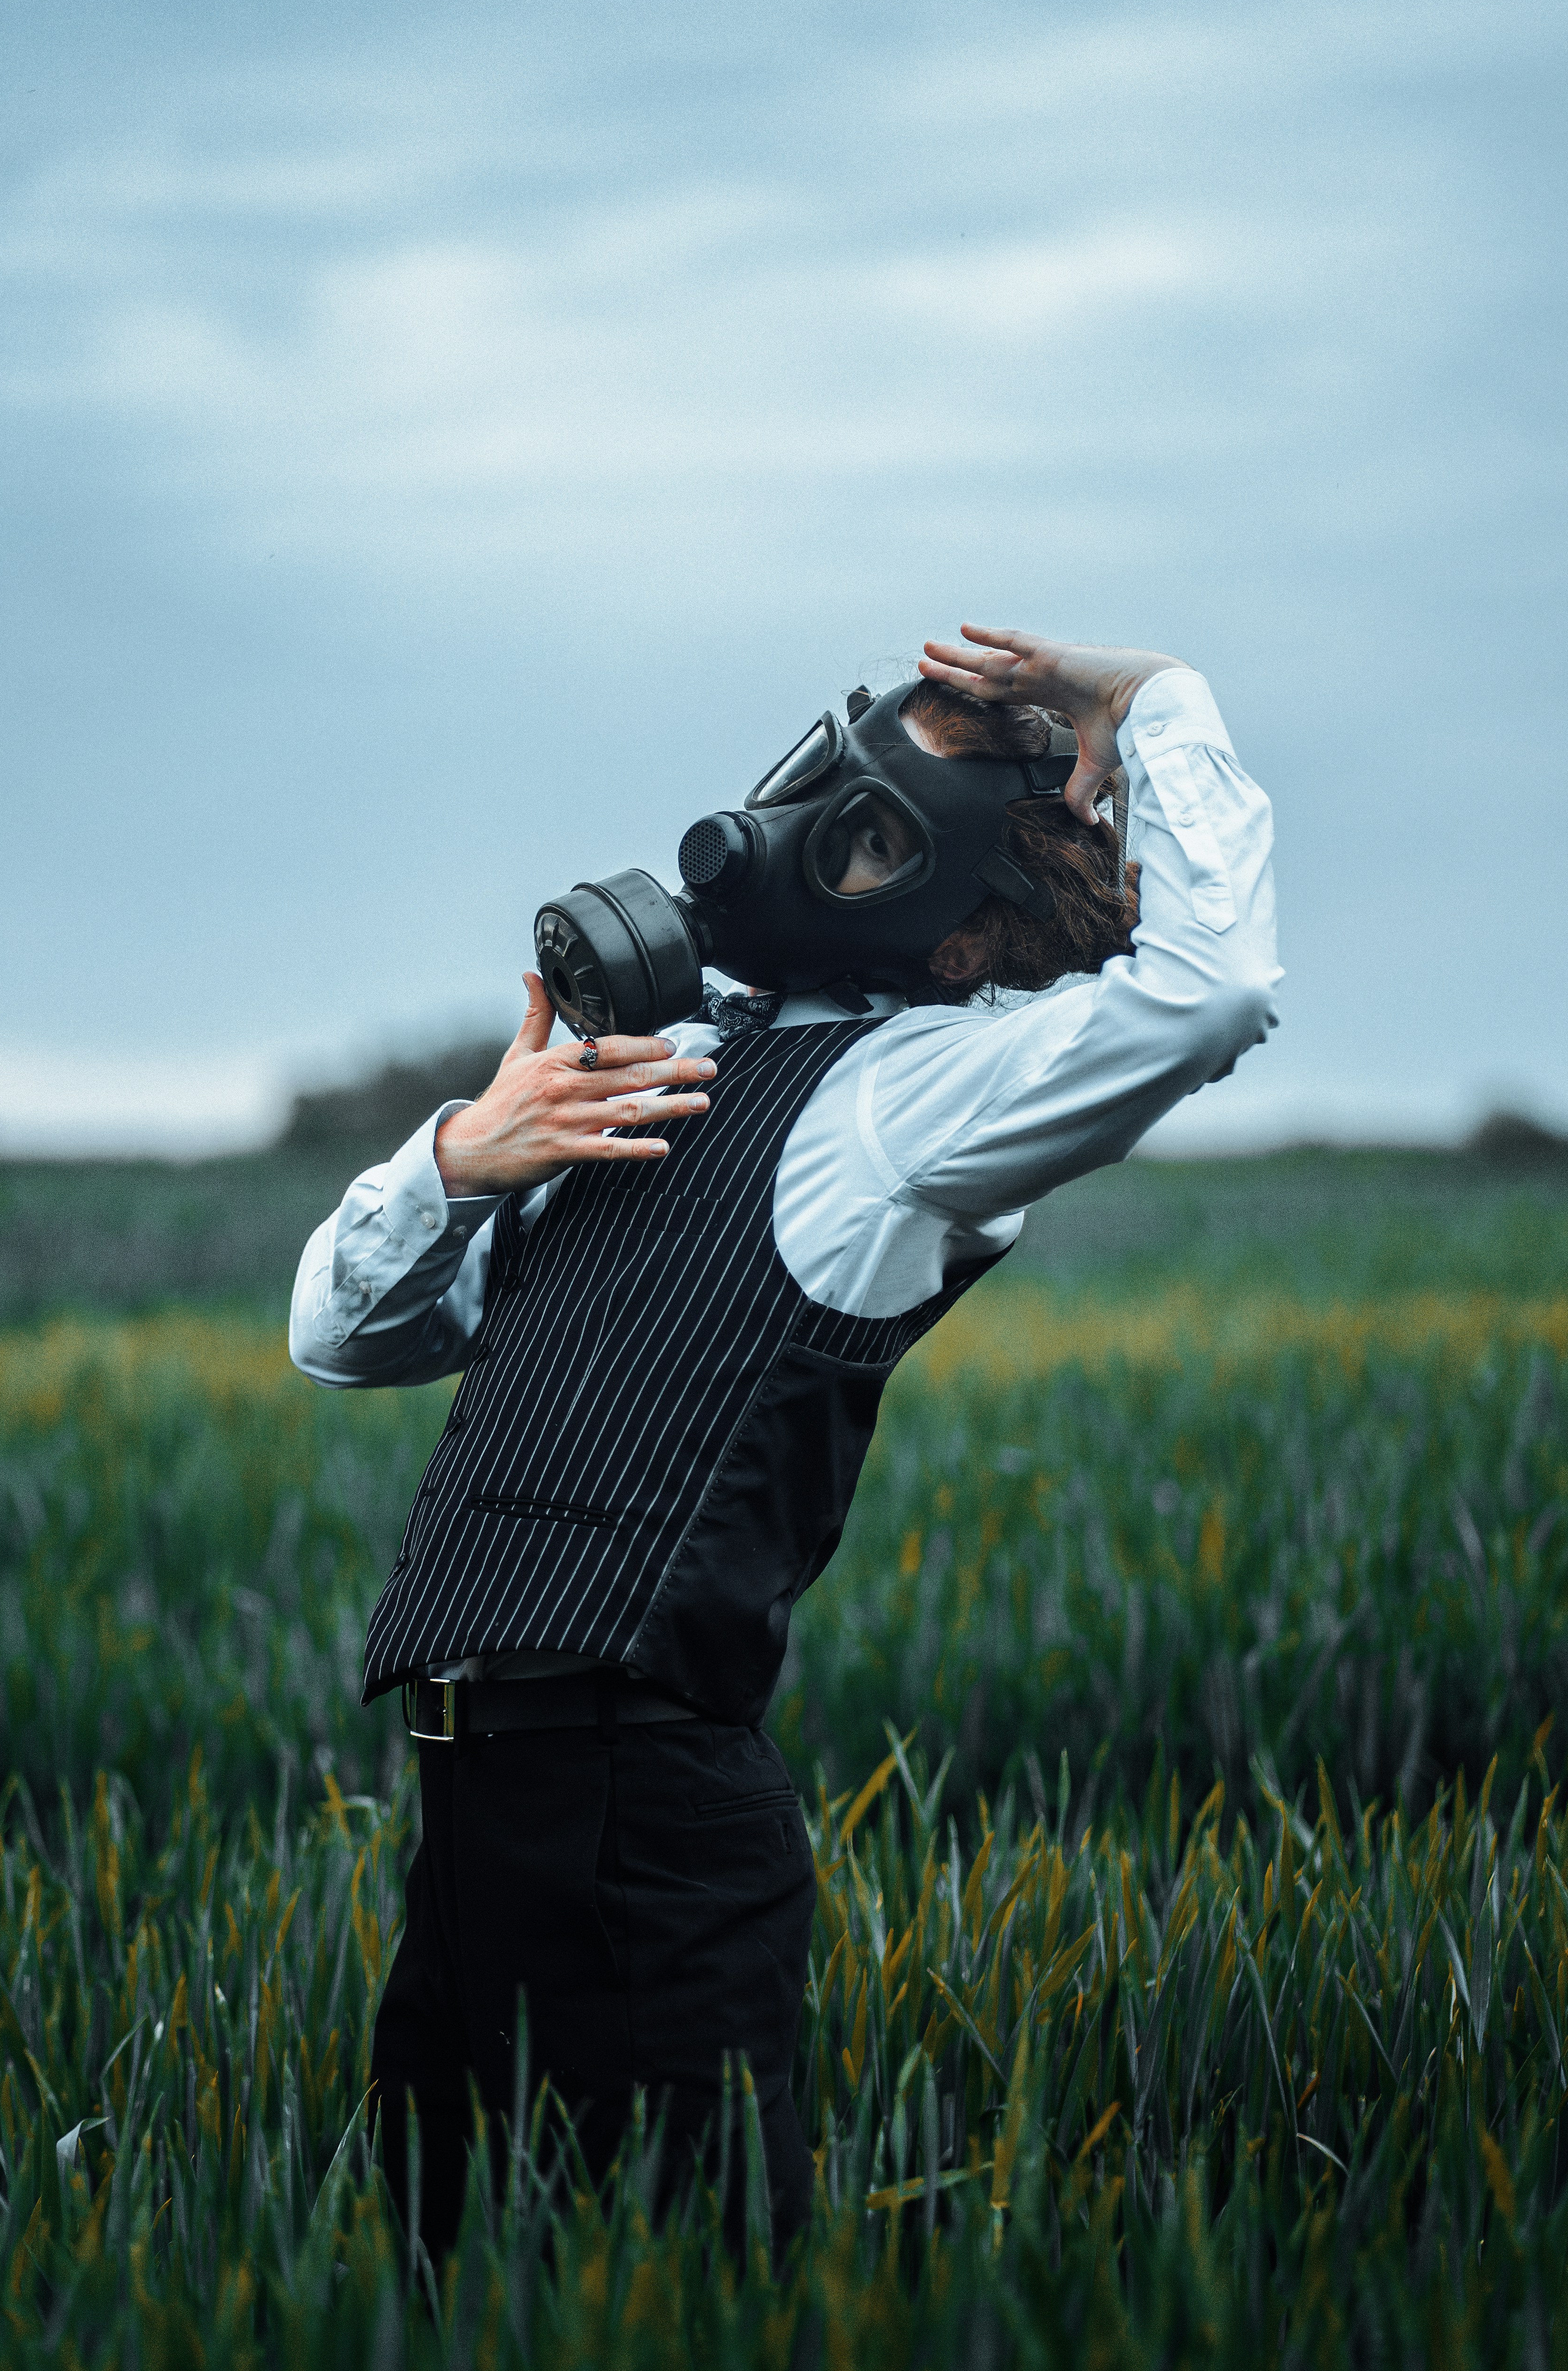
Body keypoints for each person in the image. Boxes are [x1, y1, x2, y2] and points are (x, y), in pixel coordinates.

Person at [289, 624, 1279, 2256]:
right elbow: (340, 1334)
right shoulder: (666, 1065)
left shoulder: (917, 1105)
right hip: (467, 1800)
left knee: (677, 2326)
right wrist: (465, 1156)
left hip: (646, 1804)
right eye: (830, 782)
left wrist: (1152, 700)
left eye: (876, 828)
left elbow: (1210, 991)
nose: (810, 820)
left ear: (959, 942)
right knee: (440, 2313)